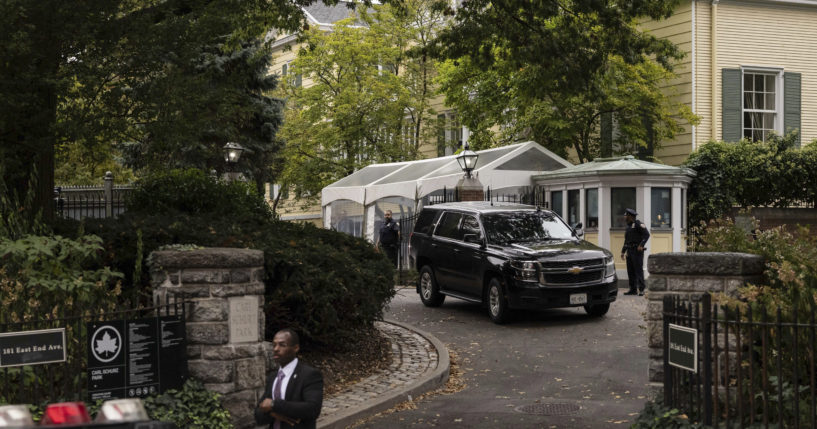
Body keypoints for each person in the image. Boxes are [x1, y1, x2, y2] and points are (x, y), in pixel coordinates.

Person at [255, 329, 323, 429]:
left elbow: (313, 409)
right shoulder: (273, 377)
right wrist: (272, 414)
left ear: (295, 348)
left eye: (282, 345)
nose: (276, 349)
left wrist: (275, 405)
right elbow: (258, 414)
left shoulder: (309, 375)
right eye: (274, 345)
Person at [621, 208, 650, 296]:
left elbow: (647, 235)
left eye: (626, 215)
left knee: (638, 270)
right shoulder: (628, 226)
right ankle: (633, 289)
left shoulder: (638, 224)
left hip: (637, 251)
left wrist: (641, 245)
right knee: (630, 271)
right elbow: (626, 240)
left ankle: (641, 289)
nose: (624, 217)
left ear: (630, 216)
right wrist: (623, 251)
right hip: (629, 251)